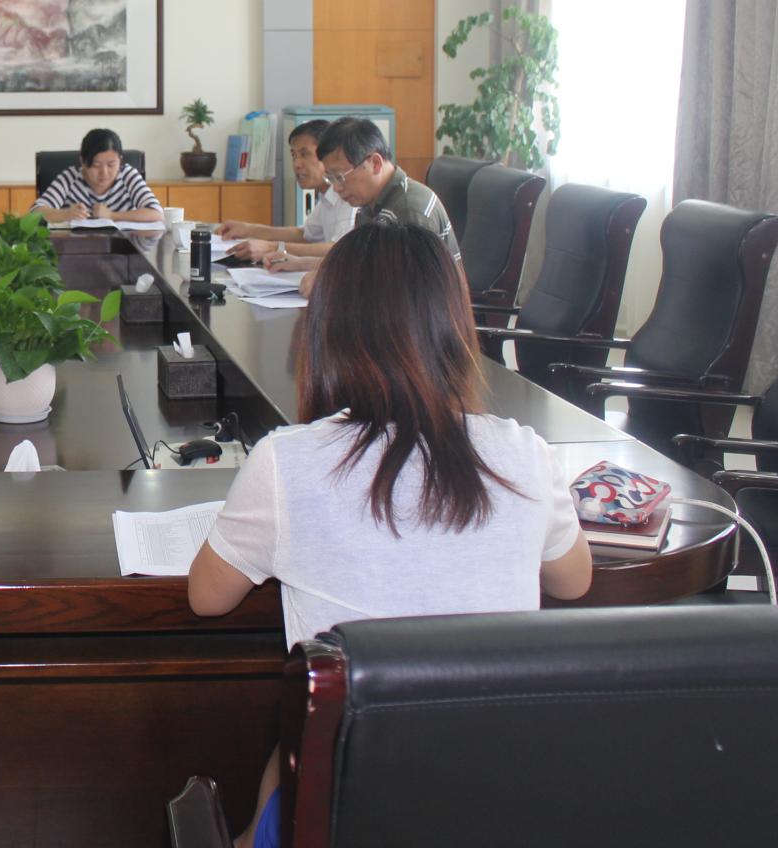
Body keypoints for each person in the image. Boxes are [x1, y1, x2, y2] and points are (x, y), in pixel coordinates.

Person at [189, 224, 591, 848]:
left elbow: (206, 598)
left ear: (326, 331)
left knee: (297, 739)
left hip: (352, 809)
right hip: (492, 803)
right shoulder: (524, 453)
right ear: (453, 331)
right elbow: (575, 580)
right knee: (290, 749)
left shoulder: (287, 462)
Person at [298, 116, 458, 297]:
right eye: (331, 178)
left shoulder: (409, 211)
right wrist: (306, 266)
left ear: (375, 163)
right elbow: (361, 265)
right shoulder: (370, 206)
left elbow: (409, 294)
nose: (336, 188)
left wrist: (331, 283)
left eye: (339, 176)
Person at [216, 120, 353, 273]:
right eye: (294, 155)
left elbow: (338, 249)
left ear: (327, 155)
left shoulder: (349, 195)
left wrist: (273, 247)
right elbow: (305, 235)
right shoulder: (326, 196)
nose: (297, 164)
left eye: (304, 154)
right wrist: (249, 230)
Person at [29, 128, 163, 224]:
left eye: (111, 164)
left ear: (120, 160)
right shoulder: (70, 178)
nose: (104, 172)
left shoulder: (128, 176)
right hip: (76, 248)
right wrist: (66, 214)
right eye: (96, 165)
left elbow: (156, 213)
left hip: (123, 249)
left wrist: (112, 215)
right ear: (83, 161)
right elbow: (34, 213)